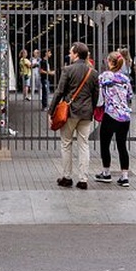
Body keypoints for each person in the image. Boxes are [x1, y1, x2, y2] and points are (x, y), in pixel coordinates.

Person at [48, 42, 98, 190]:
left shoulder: (68, 70)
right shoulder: (93, 72)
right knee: (84, 145)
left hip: (70, 112)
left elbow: (59, 92)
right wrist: (91, 109)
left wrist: (51, 111)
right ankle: (83, 179)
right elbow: (96, 94)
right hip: (86, 113)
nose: (69, 55)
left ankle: (67, 177)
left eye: (71, 52)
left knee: (66, 143)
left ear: (76, 54)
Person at [94, 51, 134, 187]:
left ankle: (106, 172)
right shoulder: (125, 78)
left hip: (110, 113)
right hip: (125, 116)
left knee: (105, 143)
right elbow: (129, 96)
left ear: (110, 62)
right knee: (122, 145)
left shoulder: (105, 76)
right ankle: (125, 176)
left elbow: (98, 94)